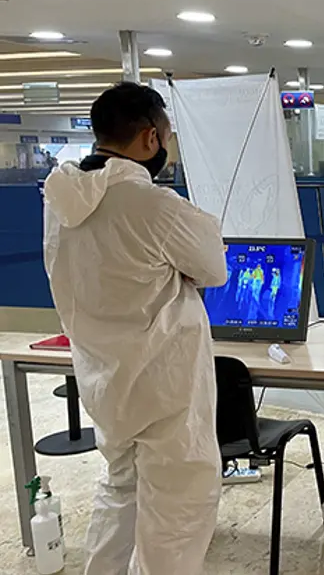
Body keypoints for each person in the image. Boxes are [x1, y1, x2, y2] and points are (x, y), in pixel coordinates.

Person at [42, 82, 227, 574]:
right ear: (150, 138)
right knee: (177, 514)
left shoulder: (60, 202)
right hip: (165, 384)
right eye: (166, 135)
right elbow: (213, 268)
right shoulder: (154, 205)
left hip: (105, 378)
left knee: (121, 490)